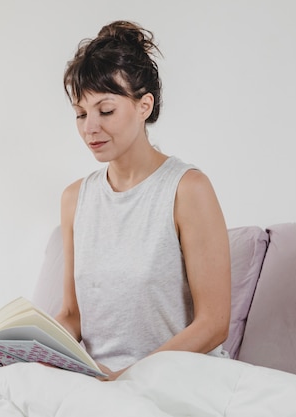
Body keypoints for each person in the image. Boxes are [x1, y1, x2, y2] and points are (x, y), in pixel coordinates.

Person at [55, 20, 231, 381]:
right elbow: (72, 315)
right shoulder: (75, 198)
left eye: (105, 111)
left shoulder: (187, 189)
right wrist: (31, 346)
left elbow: (214, 324)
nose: (90, 127)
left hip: (176, 379)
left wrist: (128, 377)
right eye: (80, 114)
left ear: (143, 106)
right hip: (96, 380)